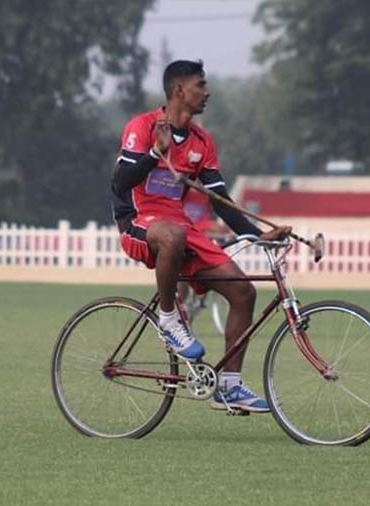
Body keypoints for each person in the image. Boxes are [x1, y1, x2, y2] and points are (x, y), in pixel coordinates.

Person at [110, 60, 293, 413]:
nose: (207, 92)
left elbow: (220, 201)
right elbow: (119, 183)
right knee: (173, 235)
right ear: (179, 90)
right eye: (200, 85)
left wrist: (258, 234)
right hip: (137, 221)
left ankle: (230, 387)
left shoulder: (202, 141)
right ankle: (168, 320)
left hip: (180, 229)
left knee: (243, 292)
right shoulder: (143, 126)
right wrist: (154, 153)